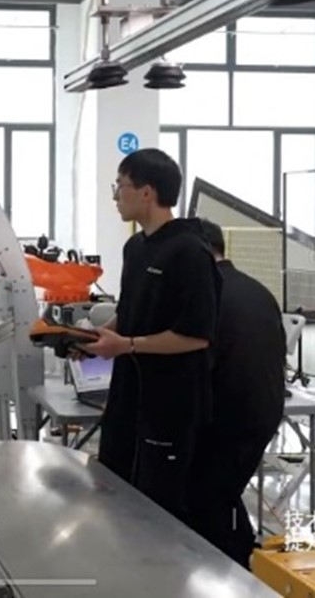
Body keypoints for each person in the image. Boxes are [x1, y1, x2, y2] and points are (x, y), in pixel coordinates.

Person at [82, 148, 220, 525]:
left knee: (159, 508)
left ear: (147, 192)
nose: (115, 196)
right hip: (129, 395)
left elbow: (196, 336)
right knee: (115, 486)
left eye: (120, 186)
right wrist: (92, 337)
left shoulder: (190, 252)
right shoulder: (135, 248)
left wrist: (125, 345)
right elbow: (129, 312)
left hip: (171, 402)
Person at [189, 219, 285, 568]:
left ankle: (233, 569)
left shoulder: (207, 294)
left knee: (205, 496)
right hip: (264, 412)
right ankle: (243, 559)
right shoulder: (257, 290)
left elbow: (195, 363)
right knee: (221, 493)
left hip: (227, 418)